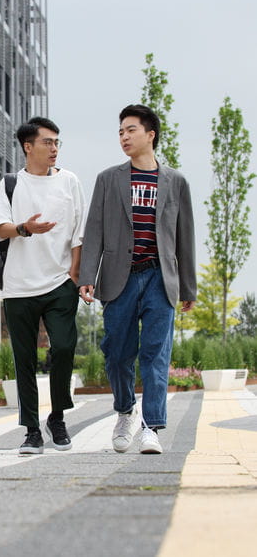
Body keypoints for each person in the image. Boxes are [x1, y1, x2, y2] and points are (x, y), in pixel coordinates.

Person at [79, 104, 196, 455]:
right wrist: (88, 275)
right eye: (120, 132)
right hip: (120, 279)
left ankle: (152, 427)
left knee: (156, 355)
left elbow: (184, 236)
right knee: (116, 353)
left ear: (150, 134)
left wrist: (188, 286)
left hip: (161, 278)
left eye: (130, 130)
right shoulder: (108, 179)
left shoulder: (176, 182)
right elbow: (94, 230)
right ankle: (125, 410)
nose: (124, 137)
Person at [0, 117, 85, 455]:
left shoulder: (70, 181)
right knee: (24, 359)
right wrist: (25, 229)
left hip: (60, 283)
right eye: (48, 142)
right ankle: (31, 430)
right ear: (28, 146)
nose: (54, 148)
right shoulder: (11, 184)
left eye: (57, 142)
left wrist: (76, 273)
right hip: (18, 287)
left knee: (62, 347)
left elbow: (79, 232)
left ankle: (57, 417)